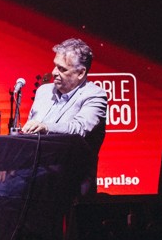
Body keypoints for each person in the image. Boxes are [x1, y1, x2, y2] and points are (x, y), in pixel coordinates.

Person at [19, 37, 107, 193]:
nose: (54, 73)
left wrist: (46, 127)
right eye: (55, 66)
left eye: (62, 69)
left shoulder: (95, 95)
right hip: (33, 175)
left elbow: (79, 129)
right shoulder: (44, 91)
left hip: (71, 179)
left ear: (81, 73)